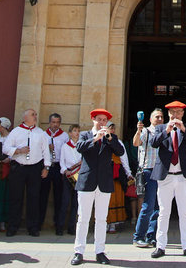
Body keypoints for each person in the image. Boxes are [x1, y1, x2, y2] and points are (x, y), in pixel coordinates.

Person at [70, 109, 125, 266]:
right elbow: (80, 147)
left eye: (104, 120)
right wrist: (95, 139)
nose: (102, 123)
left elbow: (120, 151)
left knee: (101, 219)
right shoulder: (86, 135)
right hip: (87, 181)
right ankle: (78, 251)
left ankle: (100, 251)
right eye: (99, 120)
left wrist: (108, 138)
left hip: (104, 182)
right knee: (83, 218)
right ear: (93, 120)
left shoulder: (111, 137)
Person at [150, 100, 186, 259]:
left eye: (178, 112)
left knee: (184, 212)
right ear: (168, 114)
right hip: (165, 177)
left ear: (183, 114)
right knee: (163, 212)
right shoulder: (160, 128)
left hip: (183, 176)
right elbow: (153, 143)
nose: (175, 115)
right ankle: (160, 246)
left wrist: (184, 129)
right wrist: (166, 130)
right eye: (172, 112)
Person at [3, 109, 50, 237]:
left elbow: (46, 151)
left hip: (35, 168)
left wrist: (46, 167)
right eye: (32, 115)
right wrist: (18, 151)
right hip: (19, 167)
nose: (35, 116)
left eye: (35, 114)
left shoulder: (40, 133)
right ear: (25, 118)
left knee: (34, 198)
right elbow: (6, 148)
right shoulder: (16, 132)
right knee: (15, 198)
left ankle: (33, 227)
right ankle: (13, 226)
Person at [131, 108, 164, 247]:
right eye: (157, 117)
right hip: (148, 171)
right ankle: (138, 236)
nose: (160, 119)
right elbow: (136, 143)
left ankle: (151, 236)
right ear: (150, 119)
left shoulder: (163, 132)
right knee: (148, 206)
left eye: (161, 117)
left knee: (158, 207)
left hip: (161, 171)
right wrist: (138, 130)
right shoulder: (146, 131)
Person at [42, 113, 69, 235]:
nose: (55, 125)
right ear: (49, 122)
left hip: (58, 167)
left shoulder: (64, 136)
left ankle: (59, 225)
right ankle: (39, 223)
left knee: (59, 197)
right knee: (42, 195)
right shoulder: (43, 135)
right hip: (46, 167)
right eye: (53, 122)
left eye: (57, 122)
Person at [58, 124, 82, 237]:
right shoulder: (65, 146)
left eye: (78, 131)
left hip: (78, 175)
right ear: (70, 133)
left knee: (75, 203)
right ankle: (60, 226)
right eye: (74, 131)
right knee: (65, 201)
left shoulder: (81, 146)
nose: (76, 133)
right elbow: (61, 161)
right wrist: (64, 170)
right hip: (67, 175)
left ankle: (71, 227)